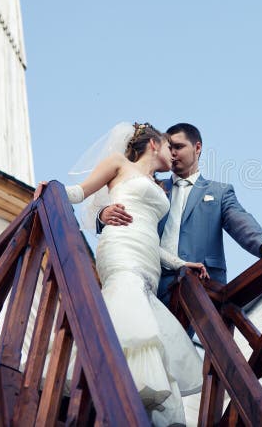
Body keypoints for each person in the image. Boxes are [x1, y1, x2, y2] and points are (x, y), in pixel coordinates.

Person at [35, 122, 207, 426]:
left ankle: (119, 389)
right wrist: (55, 188)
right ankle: (103, 379)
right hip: (121, 248)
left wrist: (180, 264)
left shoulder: (157, 186)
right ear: (154, 145)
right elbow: (80, 192)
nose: (173, 155)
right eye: (169, 146)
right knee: (127, 309)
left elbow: (151, 234)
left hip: (148, 259)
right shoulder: (119, 165)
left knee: (140, 318)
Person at [98, 122, 262, 305]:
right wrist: (103, 214)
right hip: (149, 274)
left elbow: (240, 221)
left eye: (179, 147)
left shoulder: (219, 192)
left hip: (200, 284)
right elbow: (125, 204)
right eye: (169, 147)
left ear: (197, 148)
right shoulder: (151, 186)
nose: (172, 153)